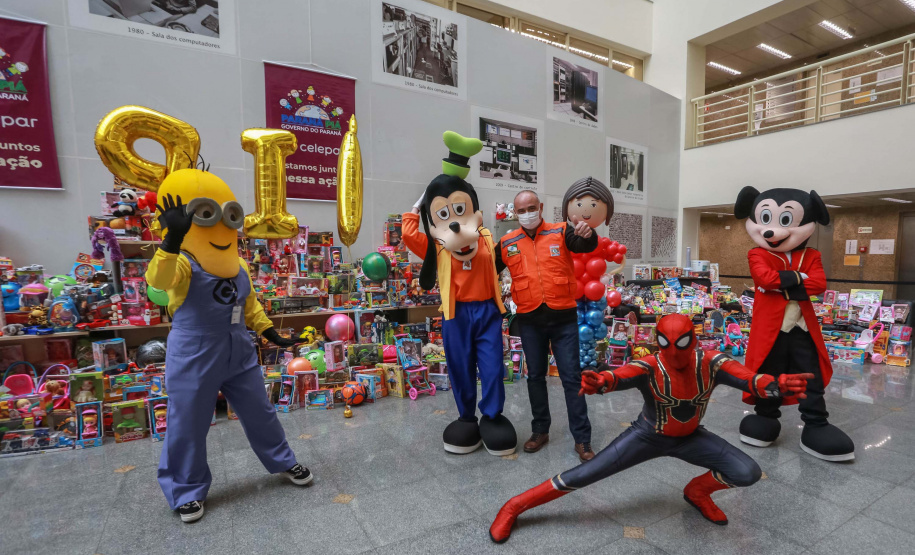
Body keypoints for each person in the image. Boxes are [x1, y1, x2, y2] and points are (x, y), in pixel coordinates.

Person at [489, 314, 813, 543]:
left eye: (682, 343)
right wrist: (601, 381)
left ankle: (697, 491)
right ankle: (514, 505)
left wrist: (774, 385)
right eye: (665, 343)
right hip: (646, 435)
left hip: (690, 438)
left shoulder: (712, 362)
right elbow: (620, 375)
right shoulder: (650, 365)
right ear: (657, 342)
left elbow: (749, 378)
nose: (673, 351)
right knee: (583, 475)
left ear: (694, 340)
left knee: (747, 471)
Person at [147, 168, 312, 524]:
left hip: (238, 347)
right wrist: (172, 239)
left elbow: (248, 306)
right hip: (194, 349)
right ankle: (185, 490)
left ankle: (283, 461)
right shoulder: (183, 265)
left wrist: (271, 334)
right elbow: (158, 281)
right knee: (187, 422)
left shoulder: (237, 265)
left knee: (260, 411)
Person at [402, 131, 516, 456]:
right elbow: (409, 231)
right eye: (443, 213)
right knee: (459, 366)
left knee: (493, 366)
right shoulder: (437, 244)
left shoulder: (485, 236)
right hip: (456, 315)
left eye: (459, 208)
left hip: (487, 313)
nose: (453, 222)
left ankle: (492, 417)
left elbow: (505, 258)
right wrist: (421, 199)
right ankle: (467, 418)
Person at [495, 189, 599, 461]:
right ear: (515, 213)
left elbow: (584, 244)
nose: (527, 213)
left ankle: (583, 439)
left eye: (532, 207)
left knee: (571, 378)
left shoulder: (561, 231)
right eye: (521, 210)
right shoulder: (507, 242)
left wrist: (589, 234)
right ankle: (540, 430)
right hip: (529, 320)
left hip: (563, 317)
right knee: (535, 377)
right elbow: (487, 270)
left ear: (540, 207)